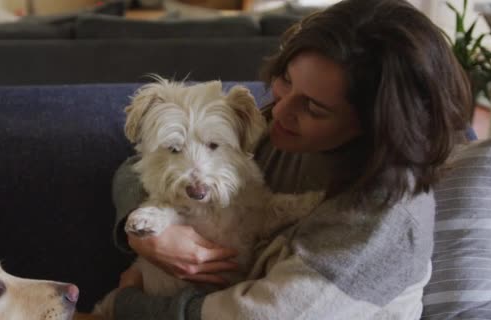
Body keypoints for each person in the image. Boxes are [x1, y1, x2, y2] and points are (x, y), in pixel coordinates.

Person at [100, 0, 472, 318]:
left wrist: (129, 304)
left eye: (311, 106)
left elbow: (256, 315)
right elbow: (140, 165)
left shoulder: (385, 220)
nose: (278, 111)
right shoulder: (286, 129)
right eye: (287, 80)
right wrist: (150, 235)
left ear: (374, 125)